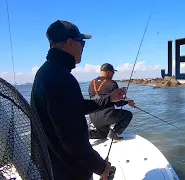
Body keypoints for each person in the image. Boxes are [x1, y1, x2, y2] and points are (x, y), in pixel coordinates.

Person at [30, 20, 126, 180]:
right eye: (82, 43)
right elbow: (71, 141)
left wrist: (110, 99)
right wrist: (101, 167)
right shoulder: (60, 78)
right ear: (70, 43)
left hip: (53, 165)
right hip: (67, 171)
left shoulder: (47, 72)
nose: (83, 47)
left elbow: (76, 107)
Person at [88, 63, 135, 141]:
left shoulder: (91, 83)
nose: (113, 74)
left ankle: (84, 134)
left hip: (93, 116)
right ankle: (114, 133)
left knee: (102, 134)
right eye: (113, 72)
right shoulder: (112, 83)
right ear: (108, 72)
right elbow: (118, 103)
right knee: (128, 115)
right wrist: (128, 102)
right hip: (107, 115)